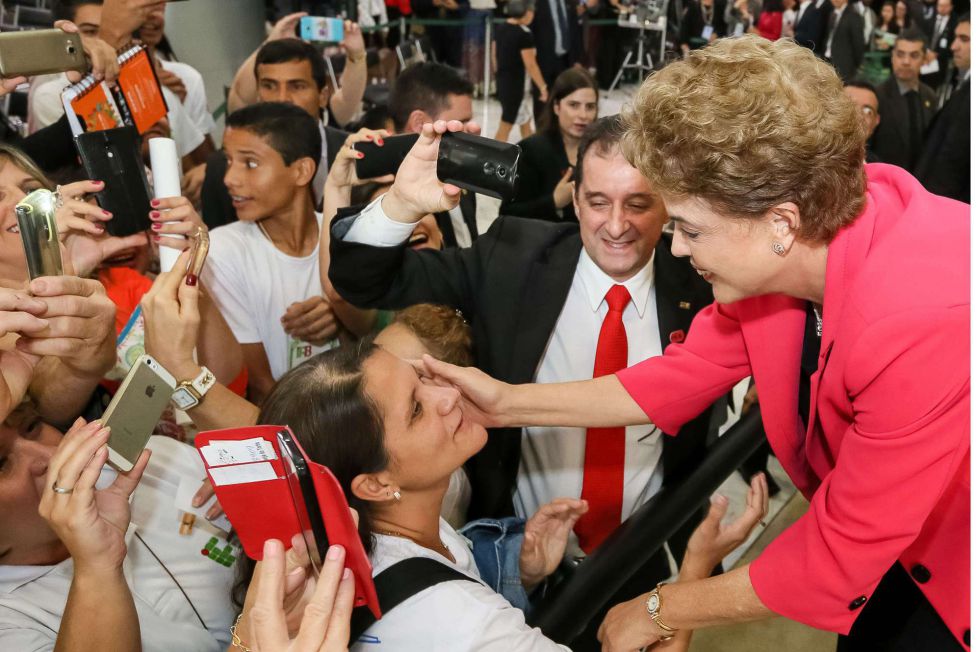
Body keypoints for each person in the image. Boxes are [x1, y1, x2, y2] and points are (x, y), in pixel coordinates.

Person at [417, 35, 969, 651]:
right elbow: (679, 376)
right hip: (894, 556)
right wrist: (506, 403)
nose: (675, 248)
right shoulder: (800, 231)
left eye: (690, 229)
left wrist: (661, 605)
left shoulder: (921, 319)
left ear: (780, 223)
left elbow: (839, 557)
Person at [328, 116, 722, 650]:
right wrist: (402, 203)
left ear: (667, 205)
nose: (616, 224)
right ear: (575, 197)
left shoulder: (706, 282)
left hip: (643, 553)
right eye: (599, 201)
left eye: (638, 203)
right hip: (520, 555)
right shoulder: (513, 255)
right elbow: (363, 281)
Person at [201, 102, 345, 404]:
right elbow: (261, 388)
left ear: (302, 170)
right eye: (229, 161)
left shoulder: (345, 239)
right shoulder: (223, 252)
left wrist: (344, 315)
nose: (229, 178)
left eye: (250, 163)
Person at [198, 38, 353, 229]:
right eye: (269, 86)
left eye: (297, 86)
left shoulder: (355, 155)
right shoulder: (222, 169)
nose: (282, 98)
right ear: (257, 94)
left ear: (322, 96)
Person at [501, 67, 598, 223]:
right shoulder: (532, 151)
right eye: (574, 105)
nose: (583, 115)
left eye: (590, 107)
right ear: (556, 107)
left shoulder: (600, 152)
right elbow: (507, 214)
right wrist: (554, 202)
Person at [914, 13, 969, 202]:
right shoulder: (966, 84)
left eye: (965, 39)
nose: (954, 46)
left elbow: (953, 158)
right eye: (956, 38)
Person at [872, 29, 938, 171]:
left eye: (914, 56)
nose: (906, 62)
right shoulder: (877, 96)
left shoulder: (930, 96)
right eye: (900, 54)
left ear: (924, 60)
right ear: (892, 57)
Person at [493, 0, 549, 143]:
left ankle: (533, 155)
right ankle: (493, 158)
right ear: (528, 12)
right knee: (505, 126)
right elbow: (531, 64)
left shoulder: (500, 28)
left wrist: (498, 74)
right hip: (516, 87)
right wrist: (543, 87)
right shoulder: (524, 34)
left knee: (525, 123)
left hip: (503, 82)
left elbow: (493, 55)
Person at [820, 0, 866, 80]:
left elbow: (858, 44)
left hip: (844, 65)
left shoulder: (854, 16)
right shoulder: (832, 13)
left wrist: (855, 65)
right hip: (827, 59)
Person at [842, 79, 881, 160]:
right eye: (850, 106)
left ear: (876, 121)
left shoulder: (879, 168)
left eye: (867, 111)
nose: (858, 115)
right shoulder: (811, 160)